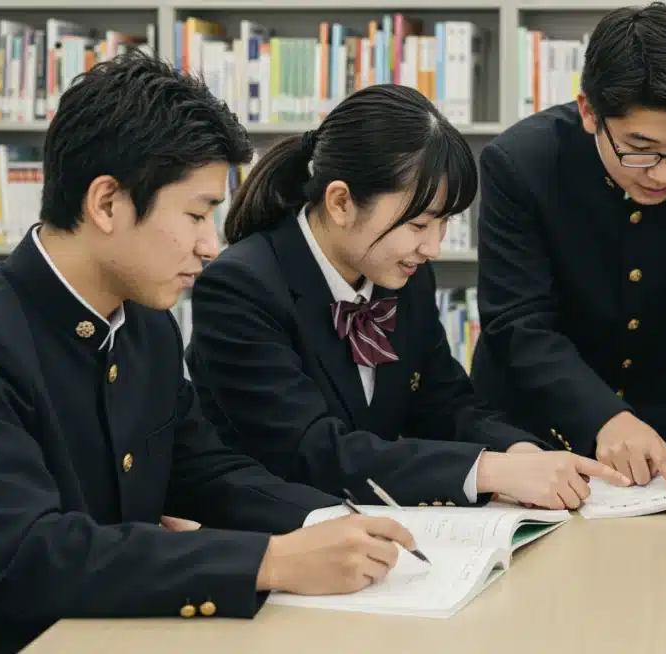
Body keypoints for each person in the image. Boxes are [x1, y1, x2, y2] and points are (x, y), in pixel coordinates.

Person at [0, 51, 424, 654]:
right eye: (196, 214)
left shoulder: (147, 326)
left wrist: (330, 524)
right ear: (107, 203)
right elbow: (29, 555)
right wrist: (267, 561)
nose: (210, 246)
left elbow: (203, 471)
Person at [184, 84, 630, 513]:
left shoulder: (404, 277)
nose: (432, 247)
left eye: (444, 224)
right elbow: (310, 452)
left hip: (376, 533)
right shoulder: (240, 289)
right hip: (277, 544)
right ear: (340, 202)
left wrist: (520, 451)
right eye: (418, 226)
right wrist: (491, 472)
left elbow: (444, 402)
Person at [471, 2, 666, 488]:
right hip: (529, 421)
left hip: (659, 414)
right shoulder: (521, 162)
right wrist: (605, 416)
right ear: (590, 111)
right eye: (640, 147)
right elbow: (517, 322)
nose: (663, 173)